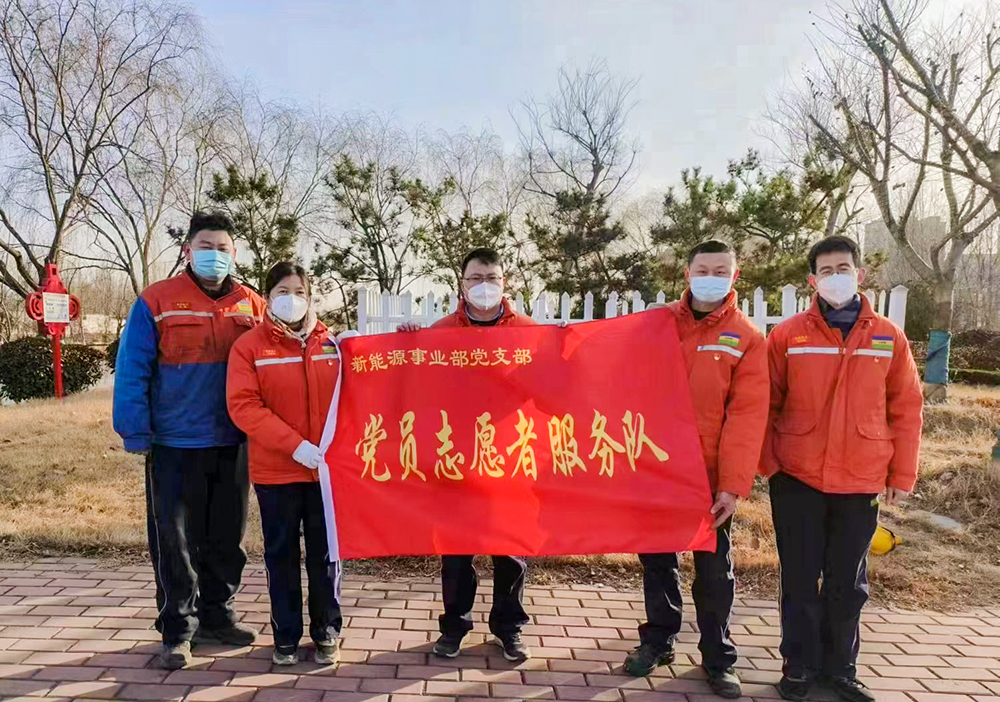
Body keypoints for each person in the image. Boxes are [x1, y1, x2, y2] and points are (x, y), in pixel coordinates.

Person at [762, 236, 922, 702]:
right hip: (797, 477)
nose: (836, 277)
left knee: (848, 583)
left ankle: (841, 670)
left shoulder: (888, 337)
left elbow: (906, 408)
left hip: (861, 478)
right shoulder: (788, 335)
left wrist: (901, 474)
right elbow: (764, 403)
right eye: (827, 271)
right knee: (799, 578)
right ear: (813, 281)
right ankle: (798, 666)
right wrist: (769, 464)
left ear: (860, 275)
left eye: (844, 268)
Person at [113, 211, 265, 669]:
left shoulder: (252, 304)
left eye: (222, 248)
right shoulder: (156, 300)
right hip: (174, 442)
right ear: (188, 250)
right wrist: (135, 429)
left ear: (234, 253)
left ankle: (219, 616)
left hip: (232, 440)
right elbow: (133, 368)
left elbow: (281, 355)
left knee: (227, 537)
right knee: (175, 542)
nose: (214, 255)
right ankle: (178, 628)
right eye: (205, 247)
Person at [623, 240, 768, 698]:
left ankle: (717, 656)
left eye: (720, 270)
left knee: (714, 570)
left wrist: (732, 485)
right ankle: (658, 640)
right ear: (687, 274)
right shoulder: (657, 323)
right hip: (656, 466)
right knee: (657, 562)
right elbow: (611, 368)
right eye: (702, 269)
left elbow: (747, 416)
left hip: (709, 476)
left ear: (734, 276)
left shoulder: (746, 337)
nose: (711, 277)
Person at [397, 247, 535, 662]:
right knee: (456, 550)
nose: (484, 286)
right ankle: (454, 626)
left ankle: (509, 628)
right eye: (476, 278)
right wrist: (406, 343)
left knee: (510, 550)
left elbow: (555, 385)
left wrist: (562, 343)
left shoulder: (529, 332)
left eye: (492, 278)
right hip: (455, 458)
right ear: (462, 283)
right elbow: (416, 385)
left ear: (505, 282)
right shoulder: (440, 333)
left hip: (508, 457)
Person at [227, 262, 345, 667]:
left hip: (325, 474)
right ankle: (286, 636)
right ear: (267, 297)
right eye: (282, 291)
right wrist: (294, 446)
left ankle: (327, 631)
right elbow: (244, 406)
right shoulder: (250, 347)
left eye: (299, 291)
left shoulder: (334, 345)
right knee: (281, 557)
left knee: (326, 555)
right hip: (276, 472)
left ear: (310, 297)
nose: (291, 299)